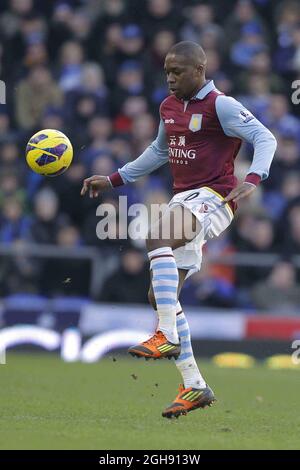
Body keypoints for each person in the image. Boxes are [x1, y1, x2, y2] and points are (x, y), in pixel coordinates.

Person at [81, 41, 277, 419]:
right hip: (183, 199)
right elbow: (158, 152)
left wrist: (252, 178)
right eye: (167, 71)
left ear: (200, 70)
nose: (170, 78)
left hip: (215, 197)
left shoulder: (222, 105)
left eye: (178, 72)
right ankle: (194, 384)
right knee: (161, 297)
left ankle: (167, 336)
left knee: (156, 236)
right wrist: (113, 179)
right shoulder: (168, 107)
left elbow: (265, 138)